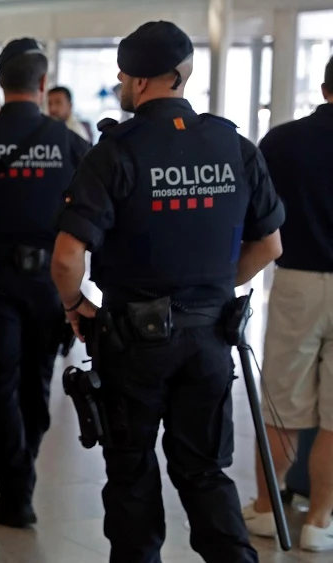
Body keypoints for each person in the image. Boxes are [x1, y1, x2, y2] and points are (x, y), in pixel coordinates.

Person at [50, 21, 284, 563]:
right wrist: (212, 291)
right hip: (210, 339)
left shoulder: (115, 151)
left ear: (143, 80)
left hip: (134, 340)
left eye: (125, 74)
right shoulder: (234, 145)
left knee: (132, 472)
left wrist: (75, 305)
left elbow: (67, 256)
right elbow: (269, 244)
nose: (120, 81)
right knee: (204, 471)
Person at [0, 38, 91, 529]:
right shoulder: (71, 144)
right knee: (36, 383)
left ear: (0, 80)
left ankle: (14, 489)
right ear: (42, 84)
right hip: (48, 280)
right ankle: (23, 479)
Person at [241, 54, 333, 552]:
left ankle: (265, 508)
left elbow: (256, 213)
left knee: (282, 403)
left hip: (296, 279)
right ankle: (320, 521)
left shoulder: (283, 141)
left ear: (323, 89)